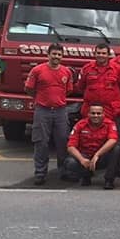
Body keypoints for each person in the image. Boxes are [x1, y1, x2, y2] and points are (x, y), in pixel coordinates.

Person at [24, 42, 73, 185]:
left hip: (61, 111)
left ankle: (64, 171)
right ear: (48, 54)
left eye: (59, 54)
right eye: (54, 54)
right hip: (42, 111)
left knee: (63, 142)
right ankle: (40, 173)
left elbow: (68, 90)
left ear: (62, 56)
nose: (56, 57)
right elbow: (29, 89)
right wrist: (41, 99)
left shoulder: (66, 72)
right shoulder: (37, 70)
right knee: (41, 142)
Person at [62, 103, 119, 189]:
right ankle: (86, 175)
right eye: (93, 113)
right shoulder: (80, 125)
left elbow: (113, 140)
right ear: (88, 114)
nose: (95, 116)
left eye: (98, 113)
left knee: (116, 149)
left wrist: (97, 155)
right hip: (85, 157)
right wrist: (82, 160)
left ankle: (109, 180)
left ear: (103, 114)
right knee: (70, 162)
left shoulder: (110, 124)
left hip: (101, 157)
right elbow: (70, 146)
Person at [76, 43, 120, 122]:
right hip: (91, 111)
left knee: (113, 134)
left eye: (103, 53)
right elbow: (80, 88)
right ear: (95, 54)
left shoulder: (118, 69)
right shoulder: (87, 69)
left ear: (108, 55)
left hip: (111, 111)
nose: (101, 55)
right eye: (99, 53)